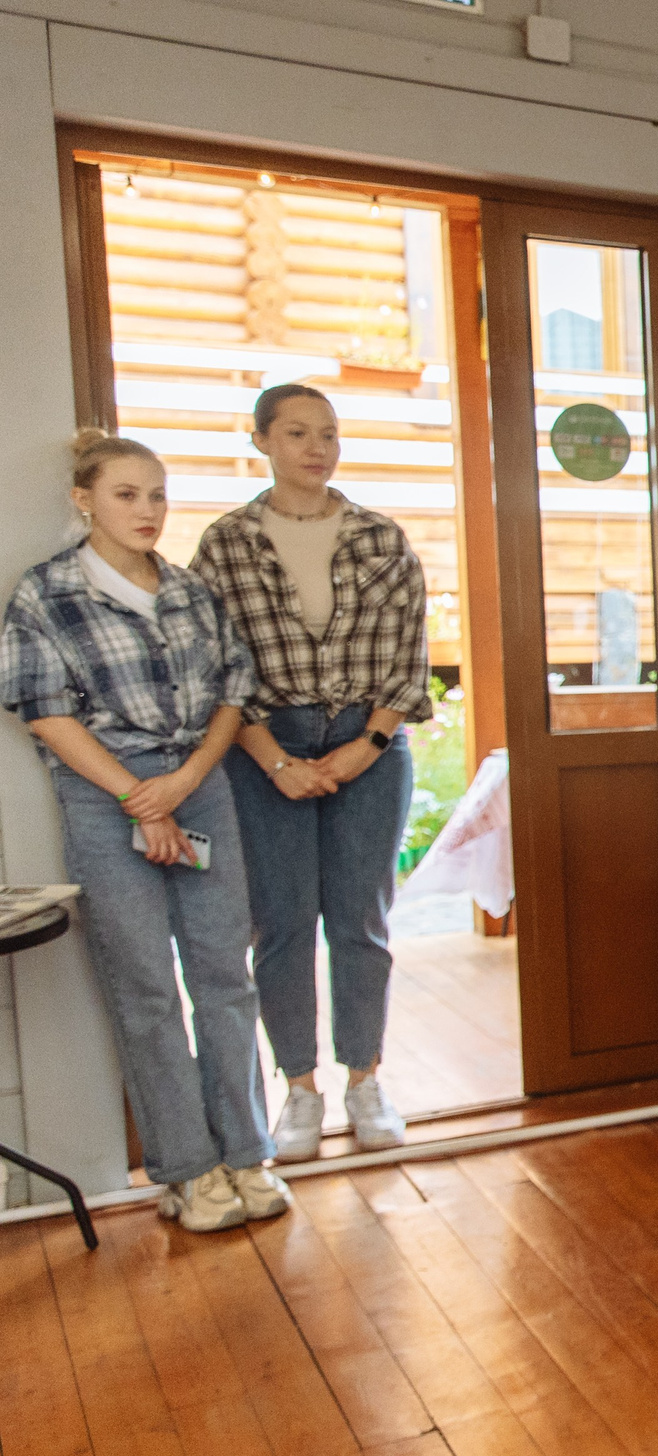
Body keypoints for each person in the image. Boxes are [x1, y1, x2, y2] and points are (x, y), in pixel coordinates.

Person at [0, 433, 284, 1231]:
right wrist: (140, 800)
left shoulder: (192, 591)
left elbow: (235, 691)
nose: (148, 510)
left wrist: (187, 782)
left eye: (157, 494)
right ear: (83, 499)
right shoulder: (45, 594)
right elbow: (45, 713)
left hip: (198, 786)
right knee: (147, 990)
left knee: (225, 978)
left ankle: (248, 1154)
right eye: (127, 494)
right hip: (105, 796)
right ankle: (189, 1173)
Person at [192, 384, 431, 1160]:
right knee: (284, 924)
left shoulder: (380, 538)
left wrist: (366, 745)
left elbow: (409, 654)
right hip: (264, 745)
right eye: (297, 433)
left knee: (361, 921)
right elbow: (214, 665)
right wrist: (274, 759)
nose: (316, 447)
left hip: (370, 737)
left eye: (328, 433)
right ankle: (298, 1091)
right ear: (261, 440)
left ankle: (365, 1082)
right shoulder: (226, 544)